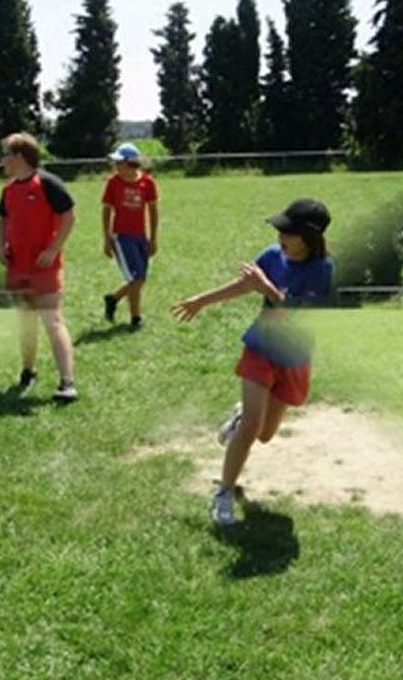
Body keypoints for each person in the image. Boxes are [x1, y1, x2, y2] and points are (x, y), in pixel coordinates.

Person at [171, 198, 334, 526]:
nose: (279, 236)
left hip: (294, 355)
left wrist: (268, 289)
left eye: (287, 231)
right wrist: (201, 300)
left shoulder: (323, 270)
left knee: (265, 434)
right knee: (251, 429)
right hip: (261, 346)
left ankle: (240, 417)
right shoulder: (273, 256)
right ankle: (224, 494)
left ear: (309, 236)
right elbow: (245, 284)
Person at [0, 131, 78, 401]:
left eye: (6, 153)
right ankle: (28, 370)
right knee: (26, 322)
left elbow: (69, 215)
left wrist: (54, 248)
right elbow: (3, 219)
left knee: (52, 320)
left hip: (44, 267)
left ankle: (67, 383)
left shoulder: (47, 183)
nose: (2, 160)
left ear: (19, 156)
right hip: (17, 266)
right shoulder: (8, 189)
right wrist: (0, 245)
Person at [101, 142, 159, 329]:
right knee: (135, 279)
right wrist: (107, 238)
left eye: (120, 163)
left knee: (140, 278)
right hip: (121, 236)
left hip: (140, 236)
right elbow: (106, 210)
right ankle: (135, 318)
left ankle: (113, 298)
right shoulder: (113, 183)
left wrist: (153, 238)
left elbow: (153, 211)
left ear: (131, 163)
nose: (116, 167)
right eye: (115, 163)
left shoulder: (148, 183)